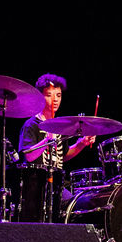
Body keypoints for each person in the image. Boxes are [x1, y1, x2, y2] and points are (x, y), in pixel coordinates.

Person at [16, 73, 95, 221]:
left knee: (80, 206)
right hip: (36, 185)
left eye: (58, 95)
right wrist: (47, 140)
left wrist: (82, 143)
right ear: (40, 97)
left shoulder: (59, 126)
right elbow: (28, 156)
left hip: (57, 185)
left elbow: (63, 156)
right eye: (49, 95)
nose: (55, 100)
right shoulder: (31, 125)